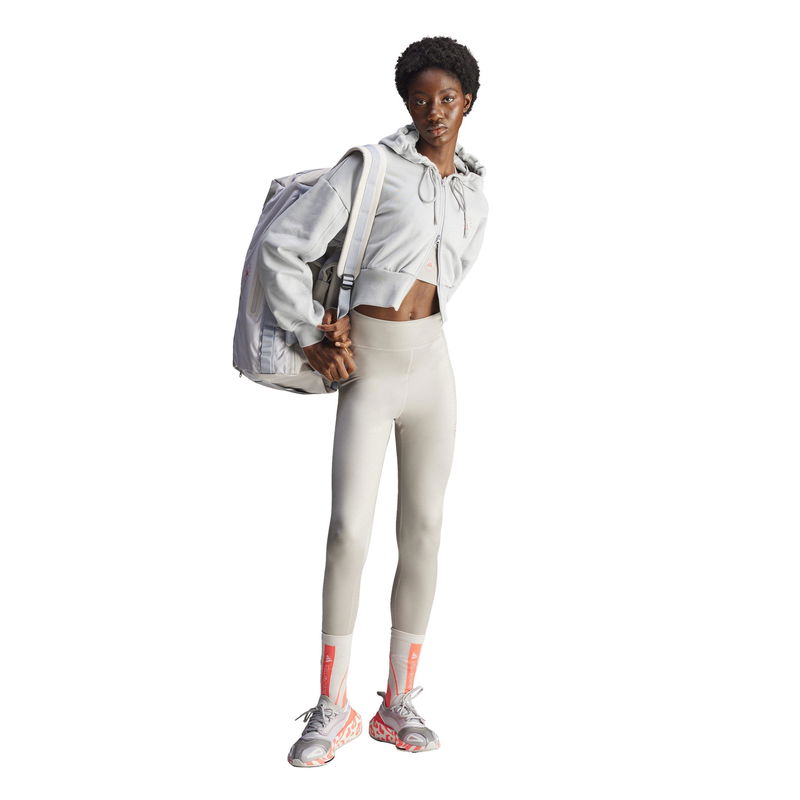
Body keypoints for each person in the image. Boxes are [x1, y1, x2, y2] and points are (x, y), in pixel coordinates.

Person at [257, 35, 489, 767]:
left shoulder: (473, 192)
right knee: (347, 532)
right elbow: (282, 247)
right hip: (372, 370)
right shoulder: (372, 167)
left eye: (447, 98)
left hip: (434, 367)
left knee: (424, 530)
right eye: (420, 99)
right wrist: (310, 333)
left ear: (468, 102)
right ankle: (333, 708)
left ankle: (399, 704)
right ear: (406, 104)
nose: (434, 110)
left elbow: (443, 276)